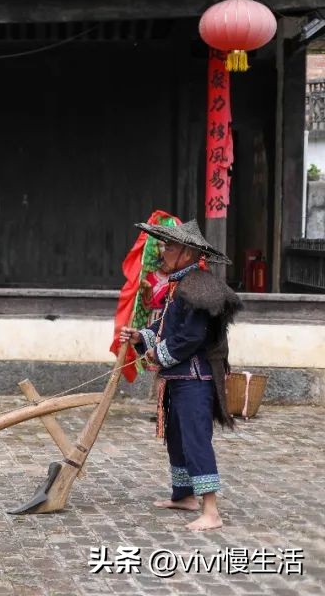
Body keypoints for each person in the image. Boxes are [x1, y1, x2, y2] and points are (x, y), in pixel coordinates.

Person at [118, 219, 240, 532]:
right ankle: (184, 496)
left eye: (170, 246)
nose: (165, 250)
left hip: (195, 379)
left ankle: (211, 511)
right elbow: (165, 329)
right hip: (178, 378)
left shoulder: (197, 286)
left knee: (196, 439)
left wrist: (156, 354)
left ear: (187, 252)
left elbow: (190, 339)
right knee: (177, 437)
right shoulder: (179, 285)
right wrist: (140, 338)